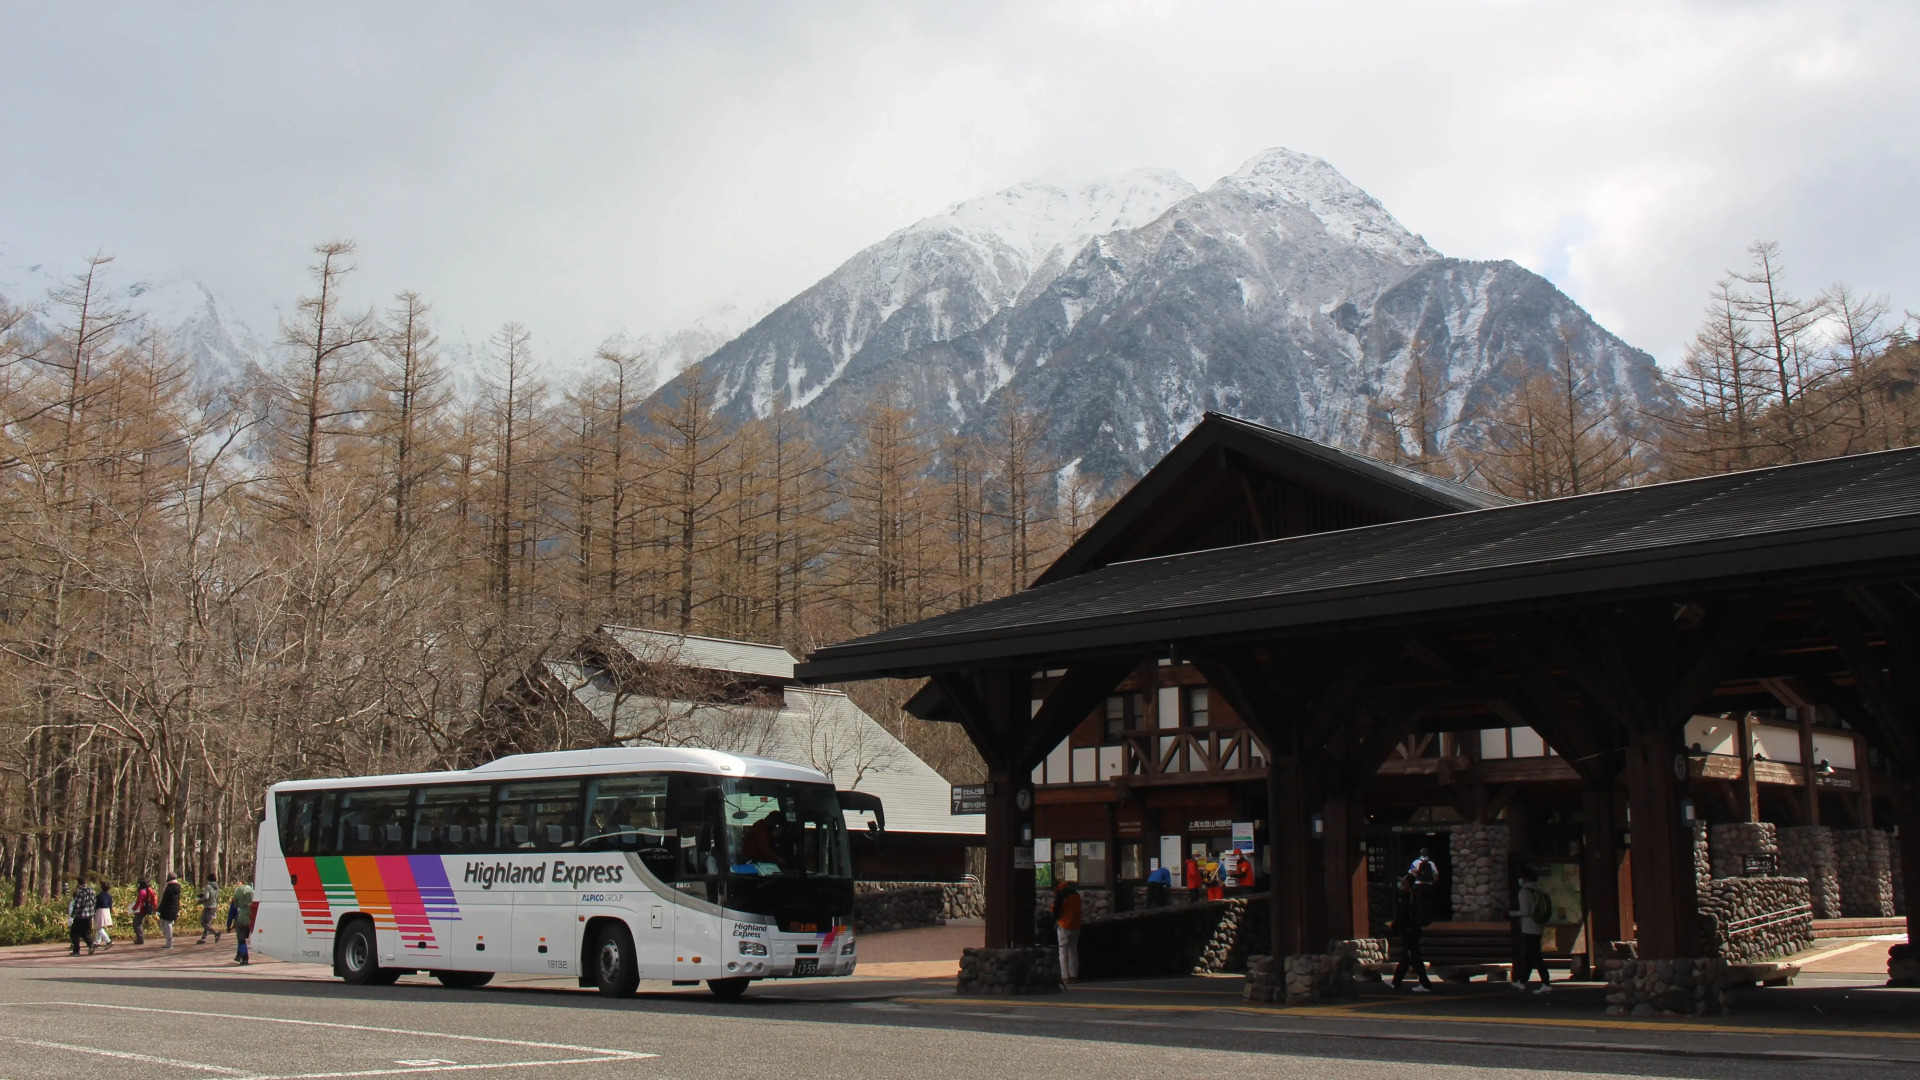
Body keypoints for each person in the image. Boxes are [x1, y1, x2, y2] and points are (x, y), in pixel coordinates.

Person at [1511, 866, 1552, 994]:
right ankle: (1522, 981)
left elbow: (1525, 911)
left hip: (1528, 928)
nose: (1520, 880)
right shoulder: (1538, 891)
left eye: (1521, 877)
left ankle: (1546, 982)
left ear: (1526, 879)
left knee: (1535, 956)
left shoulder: (1524, 892)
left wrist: (1510, 914)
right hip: (1538, 927)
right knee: (1529, 955)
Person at [1389, 874, 1433, 992]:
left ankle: (1425, 984)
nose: (1401, 884)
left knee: (1414, 957)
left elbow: (1403, 915)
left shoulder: (1409, 896)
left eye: (1403, 882)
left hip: (1410, 930)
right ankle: (1395, 982)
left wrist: (1399, 927)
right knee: (1406, 957)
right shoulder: (1411, 895)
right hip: (1410, 930)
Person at [1052, 879, 1082, 984]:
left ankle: (1065, 976)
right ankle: (1074, 975)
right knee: (1073, 950)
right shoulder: (1075, 893)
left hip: (1064, 925)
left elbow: (1056, 910)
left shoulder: (1061, 894)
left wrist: (1056, 919)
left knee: (1063, 952)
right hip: (1076, 925)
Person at [227, 879, 256, 964]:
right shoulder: (252, 902)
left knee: (241, 939)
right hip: (251, 918)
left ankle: (244, 957)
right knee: (244, 937)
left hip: (241, 919)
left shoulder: (237, 901)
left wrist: (228, 925)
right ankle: (238, 955)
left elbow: (231, 913)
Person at [67, 880, 97, 956]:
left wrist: (72, 916)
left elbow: (77, 906)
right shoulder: (92, 891)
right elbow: (94, 903)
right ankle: (91, 944)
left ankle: (76, 951)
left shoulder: (80, 893)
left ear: (79, 884)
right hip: (89, 916)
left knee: (75, 933)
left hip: (80, 916)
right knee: (86, 933)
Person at [157, 872, 182, 949]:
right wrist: (178, 910)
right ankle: (169, 938)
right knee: (164, 924)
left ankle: (169, 943)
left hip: (167, 909)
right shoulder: (178, 887)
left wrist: (159, 909)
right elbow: (177, 900)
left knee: (166, 925)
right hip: (174, 909)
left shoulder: (169, 888)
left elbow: (165, 900)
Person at [197, 875, 222, 944]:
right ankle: (203, 938)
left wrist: (200, 901)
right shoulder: (217, 887)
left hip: (208, 907)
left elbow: (206, 897)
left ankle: (216, 933)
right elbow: (215, 897)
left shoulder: (208, 887)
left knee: (203, 923)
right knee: (207, 923)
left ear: (208, 880)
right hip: (214, 906)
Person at [131, 879, 157, 945]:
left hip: (140, 910)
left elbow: (139, 901)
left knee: (136, 924)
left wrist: (134, 908)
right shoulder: (146, 891)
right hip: (144, 910)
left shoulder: (142, 892)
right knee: (139, 924)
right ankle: (140, 939)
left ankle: (140, 939)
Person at [92, 880, 115, 950]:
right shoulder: (109, 896)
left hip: (100, 910)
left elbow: (95, 905)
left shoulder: (98, 896)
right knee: (100, 927)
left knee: (99, 927)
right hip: (107, 910)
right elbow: (111, 906)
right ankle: (97, 943)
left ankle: (108, 941)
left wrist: (93, 912)